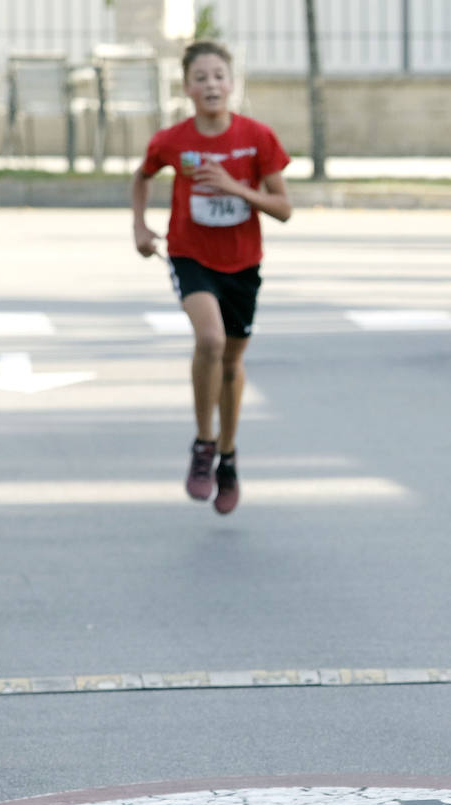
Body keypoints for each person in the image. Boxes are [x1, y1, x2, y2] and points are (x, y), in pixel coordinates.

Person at [130, 41, 292, 514]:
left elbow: (283, 208)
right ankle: (204, 444)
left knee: (231, 364)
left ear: (232, 82)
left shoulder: (257, 137)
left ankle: (227, 455)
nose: (211, 85)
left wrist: (236, 188)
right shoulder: (172, 141)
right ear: (186, 87)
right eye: (200, 77)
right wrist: (140, 226)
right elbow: (142, 176)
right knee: (211, 341)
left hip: (243, 264)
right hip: (190, 256)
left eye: (218, 75)